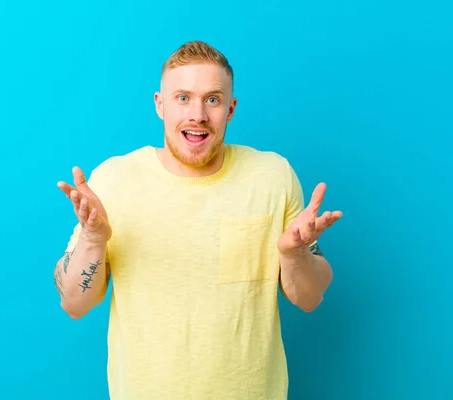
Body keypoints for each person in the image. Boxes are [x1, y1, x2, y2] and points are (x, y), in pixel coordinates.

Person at [53, 40, 342, 400]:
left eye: (213, 99)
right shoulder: (113, 180)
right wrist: (93, 240)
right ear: (160, 104)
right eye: (183, 98)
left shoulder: (273, 176)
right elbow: (73, 304)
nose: (198, 115)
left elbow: (311, 297)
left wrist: (296, 254)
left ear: (231, 109)